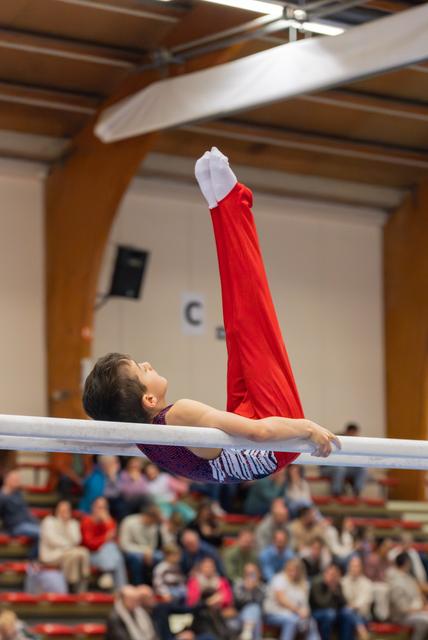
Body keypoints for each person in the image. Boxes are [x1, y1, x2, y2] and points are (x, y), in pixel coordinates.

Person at [82, 148, 339, 484]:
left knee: (239, 325)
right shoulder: (178, 415)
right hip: (276, 440)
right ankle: (229, 203)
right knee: (251, 316)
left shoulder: (146, 434)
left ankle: (222, 205)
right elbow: (261, 433)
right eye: (141, 369)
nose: (147, 363)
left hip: (246, 445)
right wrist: (306, 427)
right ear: (148, 398)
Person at [39, 499, 90, 592]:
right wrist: (69, 547)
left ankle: (78, 579)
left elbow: (76, 540)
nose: (64, 512)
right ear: (56, 510)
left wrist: (67, 524)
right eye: (62, 510)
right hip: (51, 554)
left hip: (69, 552)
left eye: (67, 510)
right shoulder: (49, 521)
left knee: (83, 552)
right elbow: (52, 540)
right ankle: (76, 582)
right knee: (75, 554)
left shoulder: (73, 523)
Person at [264, 557, 320, 640]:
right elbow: (281, 599)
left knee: (311, 623)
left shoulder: (303, 583)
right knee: (292, 620)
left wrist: (306, 611)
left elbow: (305, 604)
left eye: (296, 570)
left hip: (295, 615)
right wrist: (299, 610)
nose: (293, 573)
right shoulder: (279, 579)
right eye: (291, 570)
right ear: (286, 568)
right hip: (274, 613)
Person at [119, 505, 173, 585]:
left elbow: (154, 545)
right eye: (152, 521)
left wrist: (164, 527)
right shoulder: (129, 521)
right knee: (136, 558)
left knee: (161, 556)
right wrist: (144, 551)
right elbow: (124, 545)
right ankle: (138, 585)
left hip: (149, 552)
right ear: (146, 516)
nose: (153, 524)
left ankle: (155, 585)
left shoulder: (154, 526)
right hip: (130, 552)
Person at [81, 496, 127, 589]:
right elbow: (89, 544)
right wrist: (104, 539)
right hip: (91, 555)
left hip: (108, 555)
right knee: (116, 556)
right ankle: (122, 589)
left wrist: (108, 522)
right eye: (99, 507)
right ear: (93, 508)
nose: (102, 511)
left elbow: (115, 541)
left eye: (104, 508)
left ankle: (108, 574)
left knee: (113, 550)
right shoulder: (87, 521)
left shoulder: (109, 521)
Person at [387, 552, 428, 640]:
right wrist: (420, 609)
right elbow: (402, 608)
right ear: (407, 563)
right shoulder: (395, 580)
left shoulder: (409, 578)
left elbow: (418, 595)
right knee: (425, 621)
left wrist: (424, 606)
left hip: (417, 611)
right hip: (402, 616)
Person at [309, 564, 356, 640]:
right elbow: (322, 604)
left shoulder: (336, 584)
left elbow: (343, 602)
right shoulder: (316, 583)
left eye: (335, 575)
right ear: (325, 573)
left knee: (347, 613)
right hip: (317, 612)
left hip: (333, 612)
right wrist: (331, 589)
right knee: (330, 614)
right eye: (331, 574)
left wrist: (336, 590)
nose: (333, 577)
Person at [0, 470, 40, 556]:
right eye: (15, 480)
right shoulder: (2, 496)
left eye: (18, 480)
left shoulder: (18, 494)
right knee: (43, 533)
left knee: (47, 531)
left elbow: (26, 512)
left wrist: (36, 522)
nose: (18, 482)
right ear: (7, 480)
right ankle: (30, 559)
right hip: (15, 527)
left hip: (27, 523)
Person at [327, 424, 368, 497]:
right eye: (352, 433)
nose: (354, 435)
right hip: (329, 468)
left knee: (362, 468)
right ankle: (336, 493)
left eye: (355, 434)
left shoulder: (355, 443)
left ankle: (357, 491)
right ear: (347, 431)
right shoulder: (335, 439)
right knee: (340, 469)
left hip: (345, 468)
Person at [341, 556, 373, 640]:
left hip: (362, 615)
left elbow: (364, 601)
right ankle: (361, 629)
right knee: (346, 614)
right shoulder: (342, 582)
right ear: (348, 567)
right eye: (352, 566)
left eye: (357, 566)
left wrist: (353, 606)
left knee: (348, 615)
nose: (355, 568)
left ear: (361, 568)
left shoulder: (367, 583)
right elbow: (342, 600)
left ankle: (359, 626)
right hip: (346, 614)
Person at [233, 563, 265, 640]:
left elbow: (261, 603)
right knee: (254, 608)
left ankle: (247, 632)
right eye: (247, 573)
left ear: (258, 574)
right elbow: (238, 603)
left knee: (255, 610)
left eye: (252, 573)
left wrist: (254, 588)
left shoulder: (262, 587)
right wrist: (248, 590)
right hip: (239, 615)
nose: (250, 576)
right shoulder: (239, 584)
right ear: (244, 574)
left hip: (257, 617)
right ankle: (247, 632)